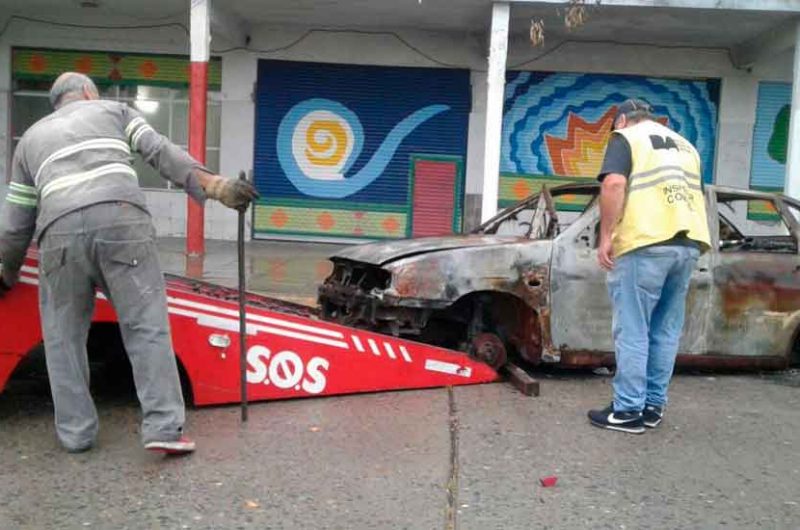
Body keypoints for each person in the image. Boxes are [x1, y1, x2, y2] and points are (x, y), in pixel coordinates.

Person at [0, 72, 259, 454]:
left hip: (58, 233)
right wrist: (217, 186)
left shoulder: (31, 139)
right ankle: (163, 429)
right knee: (145, 326)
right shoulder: (114, 110)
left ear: (56, 103)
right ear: (88, 93)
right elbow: (160, 151)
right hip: (122, 222)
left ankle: (76, 434)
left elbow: (16, 221)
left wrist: (5, 271)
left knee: (62, 338)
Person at [588, 99, 711, 434]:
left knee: (633, 328)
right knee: (665, 331)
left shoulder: (626, 138)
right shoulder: (687, 147)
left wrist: (606, 235)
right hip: (687, 245)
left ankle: (627, 410)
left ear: (623, 120)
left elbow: (613, 184)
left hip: (645, 243)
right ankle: (652, 407)